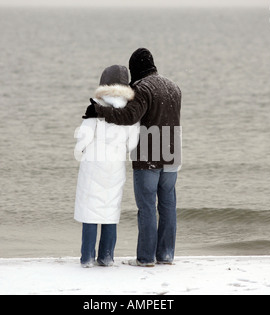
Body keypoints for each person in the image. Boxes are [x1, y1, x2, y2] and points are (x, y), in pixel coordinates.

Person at [83, 48, 182, 267]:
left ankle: (146, 258)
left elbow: (128, 116)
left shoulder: (142, 88)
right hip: (172, 154)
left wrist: (99, 111)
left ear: (136, 68)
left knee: (147, 207)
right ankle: (166, 255)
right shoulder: (175, 87)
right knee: (168, 205)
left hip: (149, 156)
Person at [74, 65, 140, 268]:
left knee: (90, 210)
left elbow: (85, 136)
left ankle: (87, 258)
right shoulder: (130, 111)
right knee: (110, 210)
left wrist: (79, 150)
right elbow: (132, 143)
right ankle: (107, 257)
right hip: (115, 165)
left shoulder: (96, 105)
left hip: (94, 163)